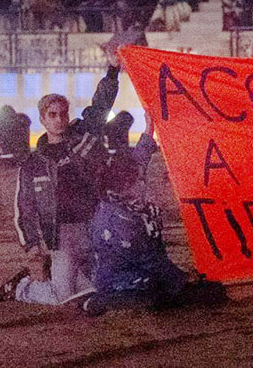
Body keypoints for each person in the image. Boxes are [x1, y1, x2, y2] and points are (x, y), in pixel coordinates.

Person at [0, 51, 123, 305]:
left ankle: (78, 279)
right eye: (52, 115)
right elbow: (24, 210)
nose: (59, 119)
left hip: (94, 227)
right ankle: (21, 287)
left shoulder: (84, 135)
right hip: (61, 237)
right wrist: (32, 248)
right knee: (64, 298)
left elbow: (100, 105)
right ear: (43, 120)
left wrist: (112, 70)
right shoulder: (32, 164)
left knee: (103, 289)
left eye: (62, 113)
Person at [83, 120, 227, 316]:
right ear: (125, 186)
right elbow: (148, 259)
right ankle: (102, 301)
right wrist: (181, 278)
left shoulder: (128, 199)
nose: (142, 185)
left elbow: (141, 157)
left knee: (204, 291)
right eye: (138, 182)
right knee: (159, 294)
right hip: (119, 279)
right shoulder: (120, 219)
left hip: (141, 272)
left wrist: (149, 127)